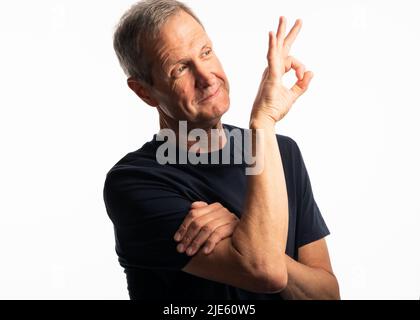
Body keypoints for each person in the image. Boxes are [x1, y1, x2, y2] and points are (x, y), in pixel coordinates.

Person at [104, 0, 340, 300]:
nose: (206, 77)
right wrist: (263, 123)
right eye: (180, 68)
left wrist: (243, 233)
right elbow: (264, 271)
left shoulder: (281, 153)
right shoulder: (135, 184)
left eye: (206, 52)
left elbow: (327, 296)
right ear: (144, 91)